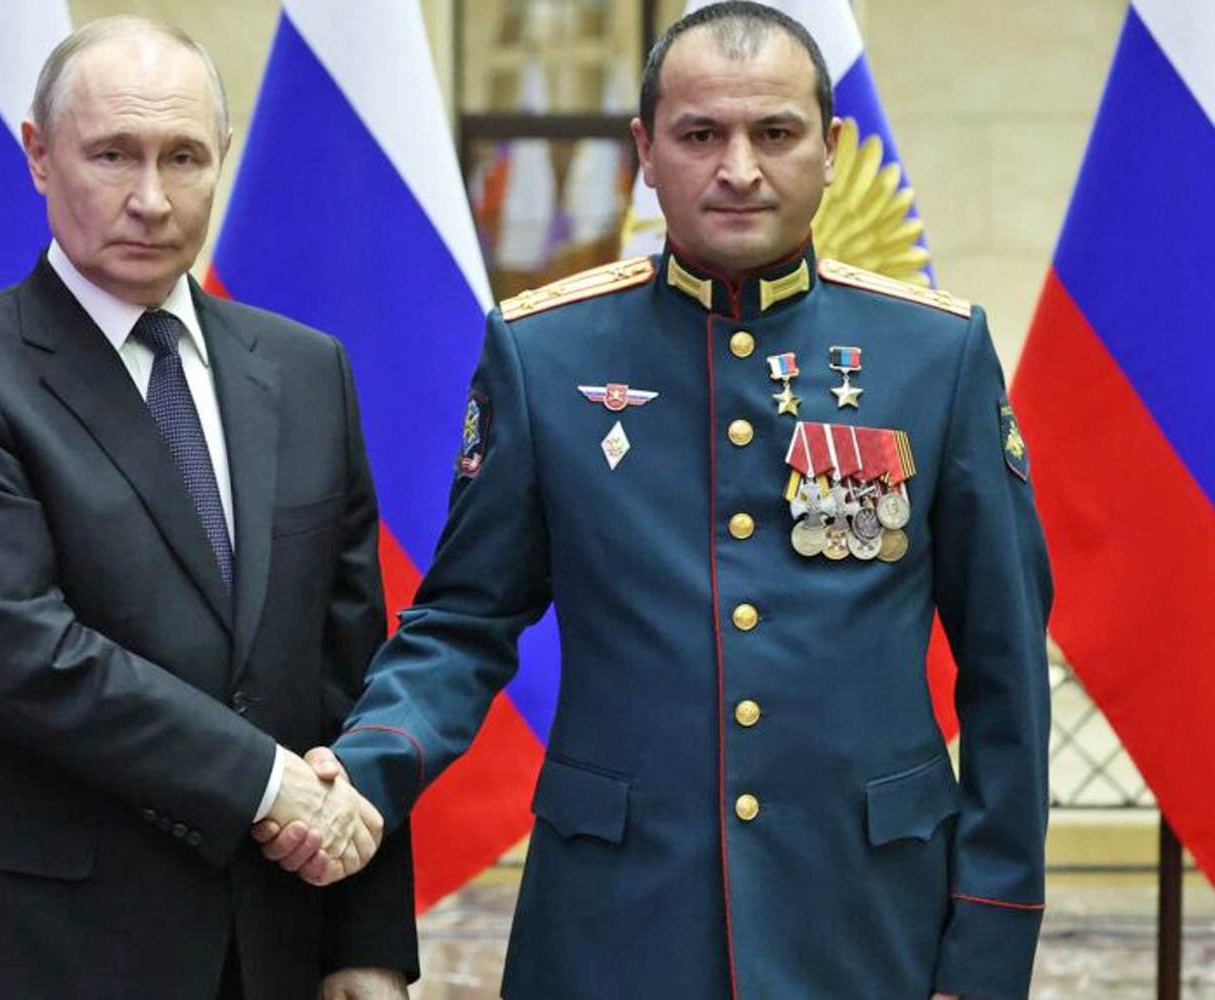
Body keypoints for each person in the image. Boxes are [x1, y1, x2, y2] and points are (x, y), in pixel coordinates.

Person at [272, 3, 1052, 997]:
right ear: (645, 150)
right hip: (616, 924)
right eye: (700, 135)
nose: (739, 168)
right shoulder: (545, 355)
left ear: (830, 146)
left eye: (775, 132)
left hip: (868, 918)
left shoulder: (935, 355)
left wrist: (986, 954)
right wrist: (369, 767)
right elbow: (463, 624)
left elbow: (1005, 669)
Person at [0, 16, 413, 1000]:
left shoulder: (306, 371)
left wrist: (364, 942)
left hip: (270, 945)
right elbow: (24, 654)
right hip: (43, 949)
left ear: (224, 160)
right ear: (40, 155)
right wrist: (268, 782)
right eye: (113, 154)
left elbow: (351, 669)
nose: (152, 198)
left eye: (184, 158)